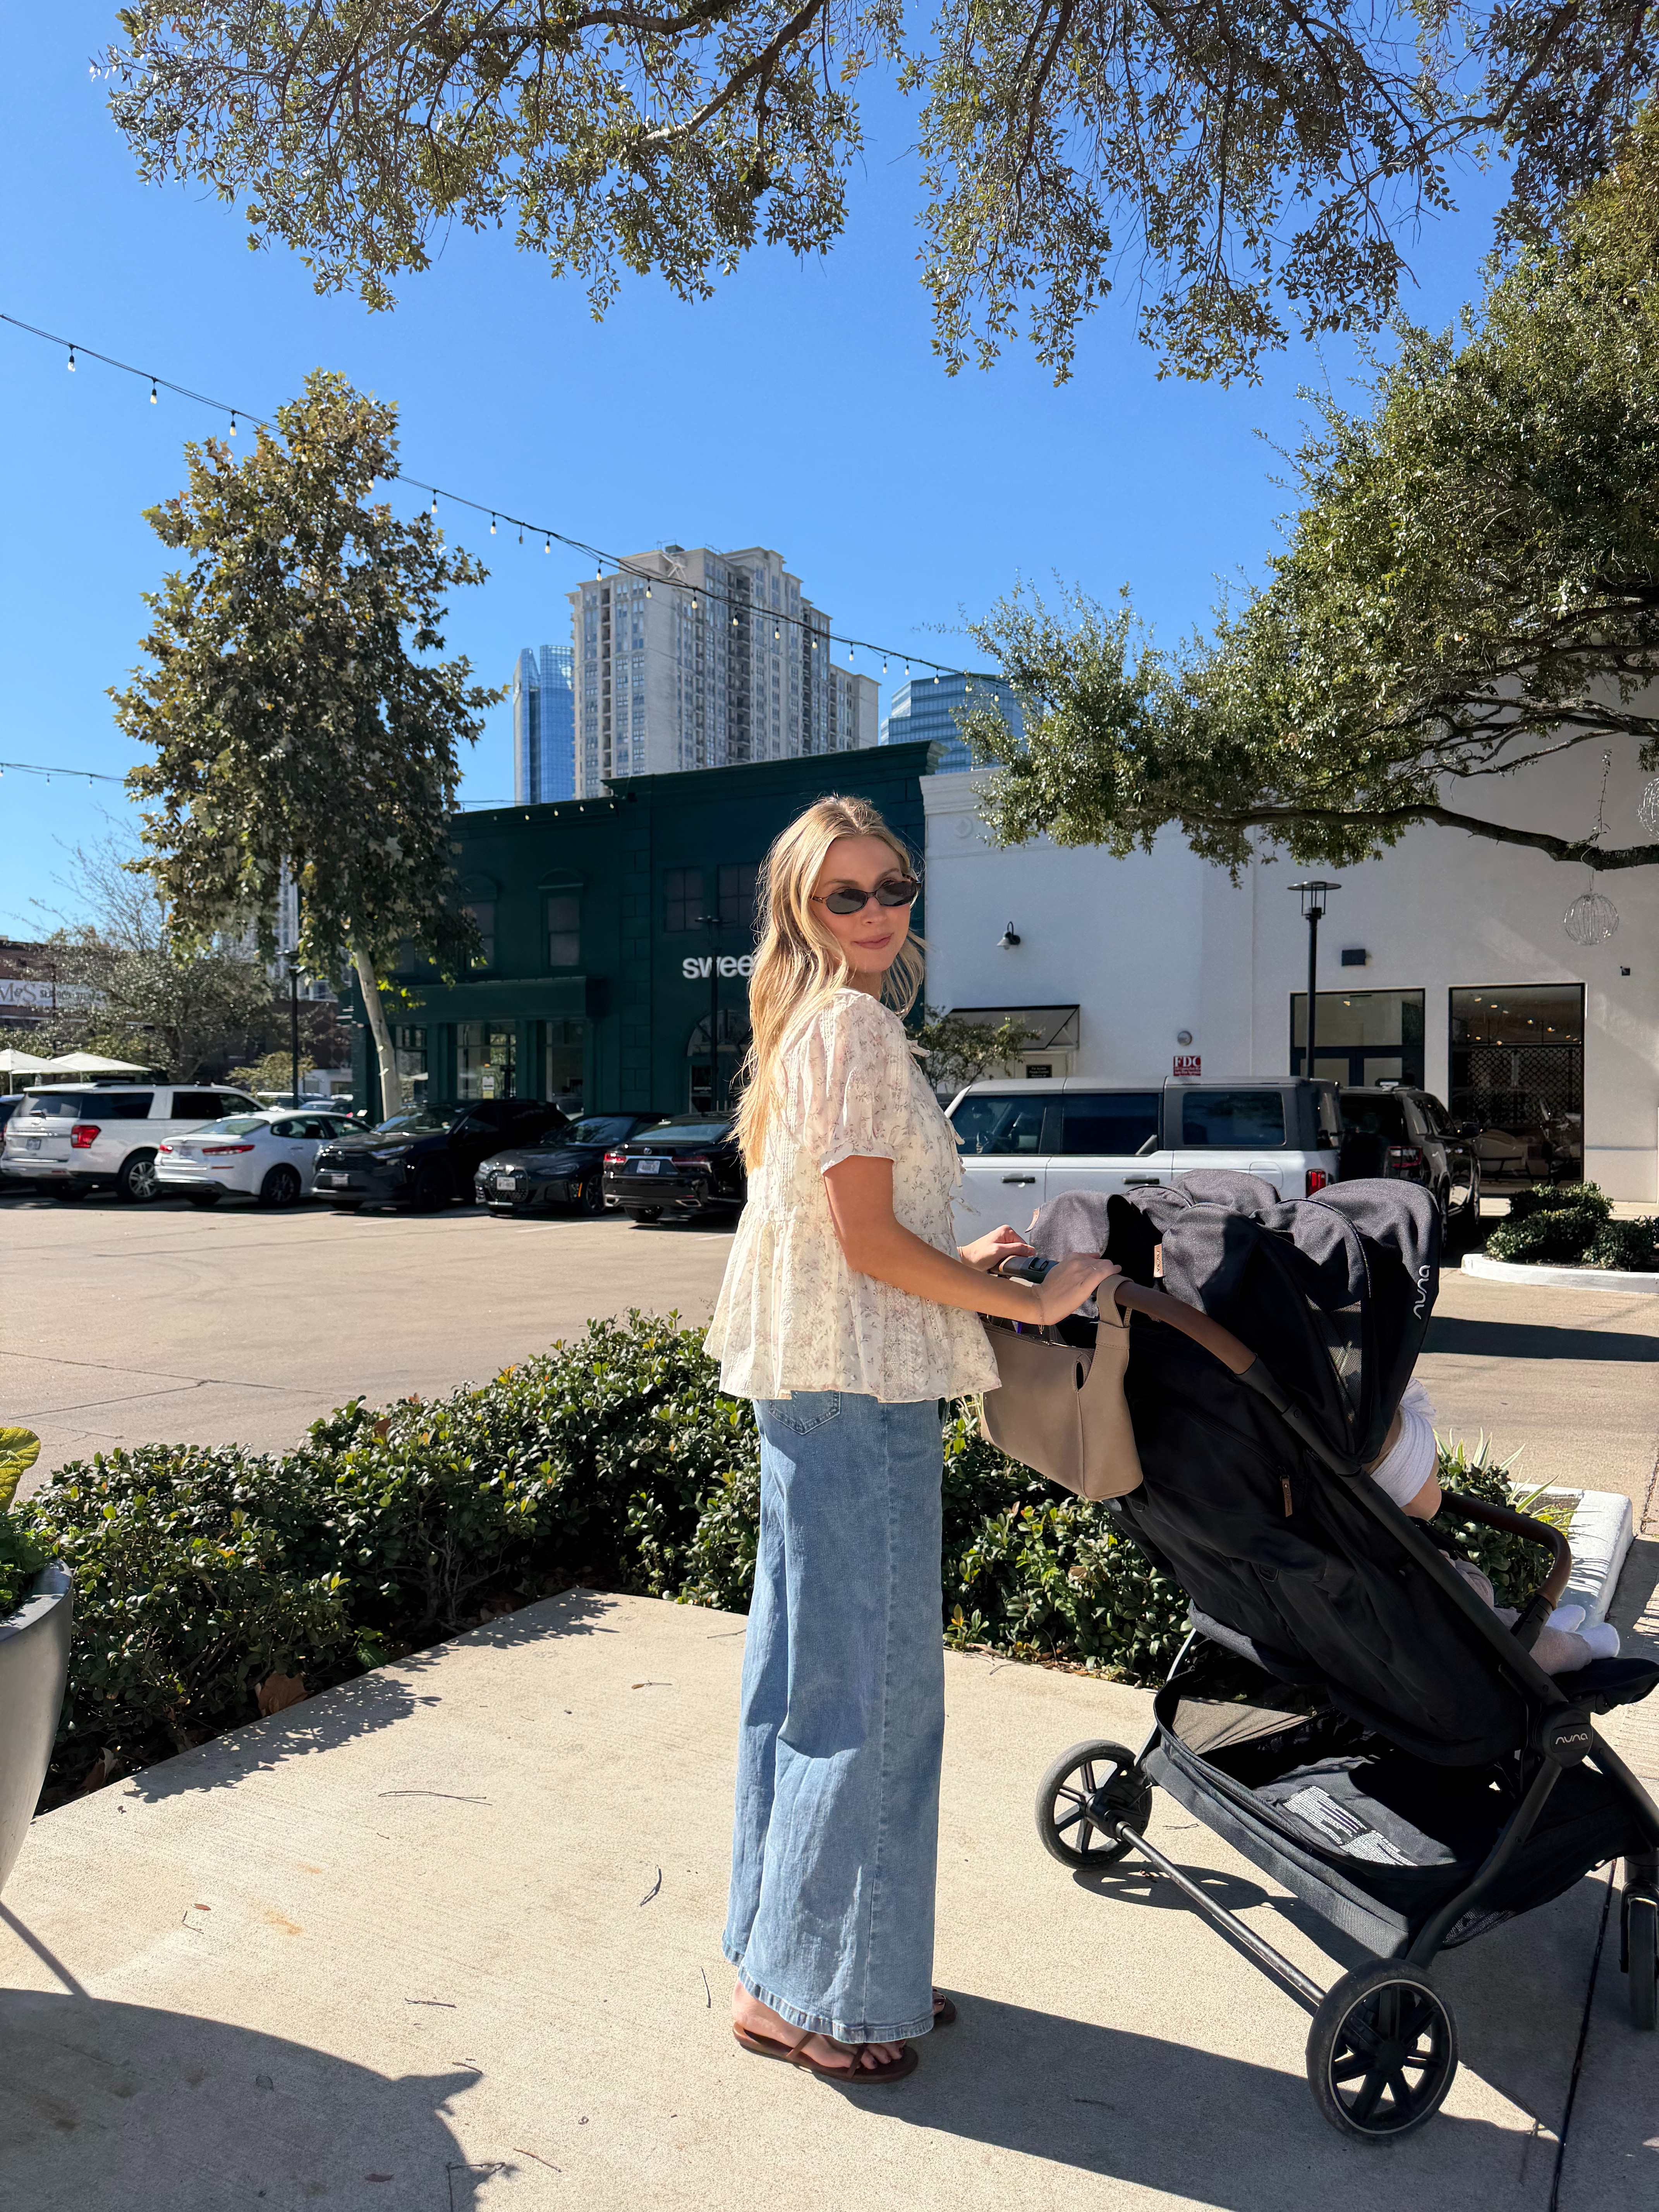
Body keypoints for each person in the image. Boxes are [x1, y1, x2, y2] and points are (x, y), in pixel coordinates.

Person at [705, 794, 1116, 2085]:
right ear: (801, 907)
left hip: (809, 1392)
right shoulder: (854, 1028)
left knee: (804, 1686)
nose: (878, 911)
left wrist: (960, 1261)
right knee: (871, 1700)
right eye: (848, 894)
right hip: (860, 1401)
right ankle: (826, 1995)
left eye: (894, 887)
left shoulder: (802, 1029)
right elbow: (864, 1242)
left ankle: (791, 1968)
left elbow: (848, 1240)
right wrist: (1030, 1303)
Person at [1366, 1377, 1618, 1672]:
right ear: (1406, 1494)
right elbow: (1480, 1599)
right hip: (1474, 1657)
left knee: (1507, 1621)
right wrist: (1464, 1567)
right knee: (1545, 1649)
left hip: (1416, 1647)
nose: (1441, 1487)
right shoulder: (1419, 1563)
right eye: (1433, 1478)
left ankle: (1548, 1625)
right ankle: (1586, 1645)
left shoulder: (1366, 1539)